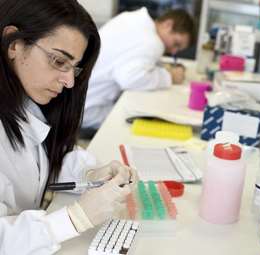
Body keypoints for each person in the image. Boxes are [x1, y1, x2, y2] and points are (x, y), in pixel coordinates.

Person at [0, 0, 136, 254]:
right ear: (14, 43)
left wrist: (90, 174)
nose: (70, 82)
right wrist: (74, 219)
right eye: (58, 61)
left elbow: (38, 161)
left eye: (74, 68)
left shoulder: (24, 101)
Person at [82, 7, 195, 132]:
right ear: (168, 25)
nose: (174, 51)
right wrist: (170, 77)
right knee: (142, 122)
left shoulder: (132, 18)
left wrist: (162, 69)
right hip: (89, 110)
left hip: (77, 97)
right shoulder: (153, 42)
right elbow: (130, 79)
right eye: (176, 44)